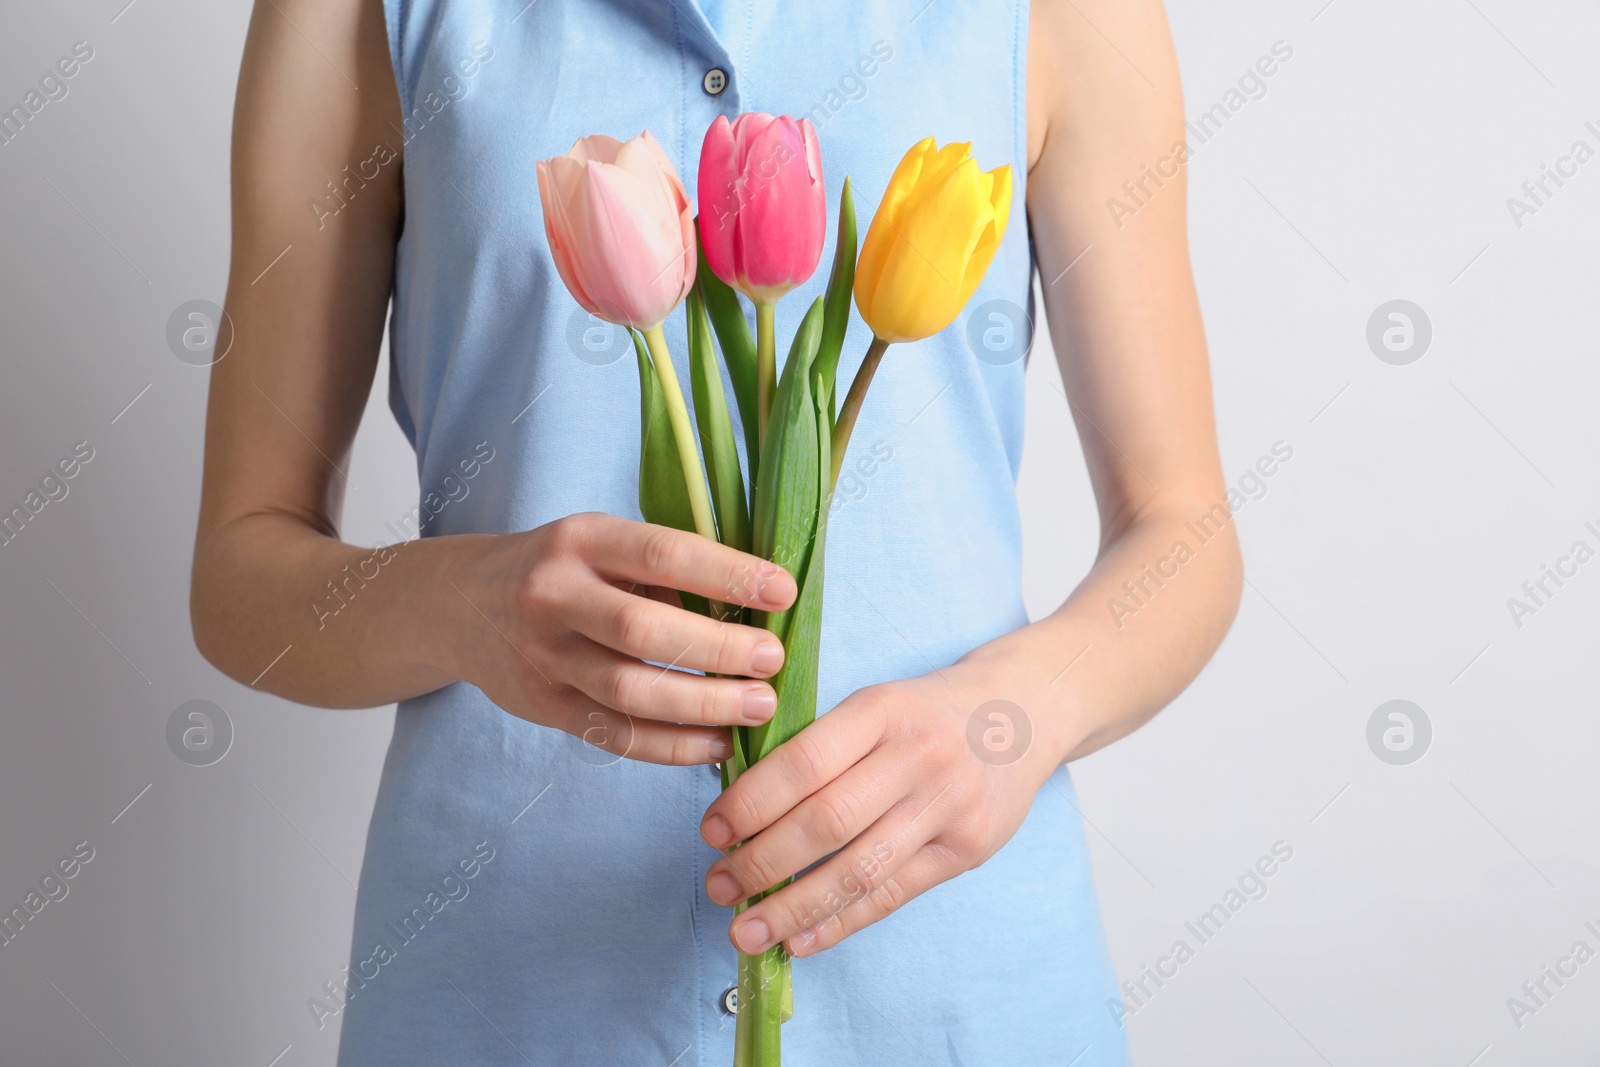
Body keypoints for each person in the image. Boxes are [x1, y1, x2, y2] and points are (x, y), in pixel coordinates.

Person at [191, 0, 1240, 1063]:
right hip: (505, 991)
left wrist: (1013, 714)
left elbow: (1181, 528)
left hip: (951, 988)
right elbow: (241, 568)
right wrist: (464, 605)